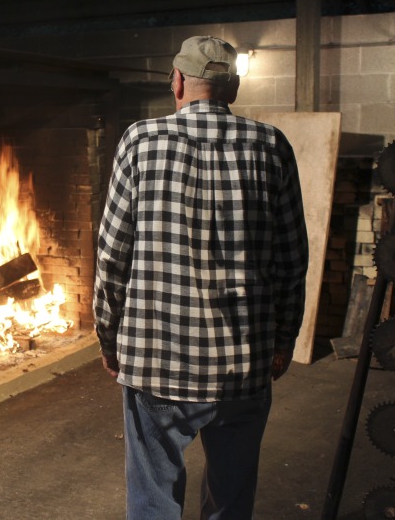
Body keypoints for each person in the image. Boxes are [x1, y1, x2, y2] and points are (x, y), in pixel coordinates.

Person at [94, 36, 309, 520]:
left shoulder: (139, 141)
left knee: (153, 500)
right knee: (231, 502)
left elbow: (112, 256)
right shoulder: (271, 145)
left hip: (155, 360)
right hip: (243, 363)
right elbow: (292, 259)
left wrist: (110, 339)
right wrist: (282, 340)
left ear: (176, 82)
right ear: (231, 88)